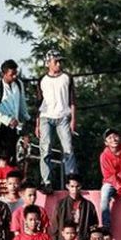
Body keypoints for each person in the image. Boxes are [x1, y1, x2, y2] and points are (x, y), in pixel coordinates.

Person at [36, 50, 78, 194]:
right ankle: (46, 181)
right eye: (56, 61)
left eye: (60, 61)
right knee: (45, 149)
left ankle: (71, 178)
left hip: (63, 117)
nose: (59, 64)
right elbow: (39, 103)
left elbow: (72, 100)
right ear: (48, 63)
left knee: (68, 148)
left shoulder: (67, 77)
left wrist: (73, 119)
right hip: (45, 117)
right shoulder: (42, 79)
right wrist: (37, 124)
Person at [0, 59, 30, 165]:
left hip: (13, 128)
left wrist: (26, 121)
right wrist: (7, 120)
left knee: (11, 158)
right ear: (4, 74)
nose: (15, 76)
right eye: (12, 74)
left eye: (16, 73)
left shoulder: (19, 84)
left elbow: (22, 104)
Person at [52, 174, 99, 240]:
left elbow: (94, 226)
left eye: (77, 186)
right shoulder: (60, 205)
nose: (75, 190)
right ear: (67, 186)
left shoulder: (89, 206)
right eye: (72, 186)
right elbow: (55, 226)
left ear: (81, 186)